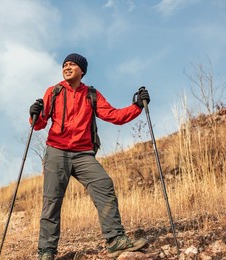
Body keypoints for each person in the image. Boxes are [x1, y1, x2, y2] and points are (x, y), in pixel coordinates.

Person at [29, 53, 150, 260]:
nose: (67, 67)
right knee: (52, 201)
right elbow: (39, 124)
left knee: (103, 184)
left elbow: (114, 115)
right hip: (57, 151)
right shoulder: (54, 91)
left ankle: (115, 240)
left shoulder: (91, 94)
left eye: (72, 65)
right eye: (65, 65)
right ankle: (46, 251)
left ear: (82, 70)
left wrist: (137, 106)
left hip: (83, 153)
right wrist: (34, 114)